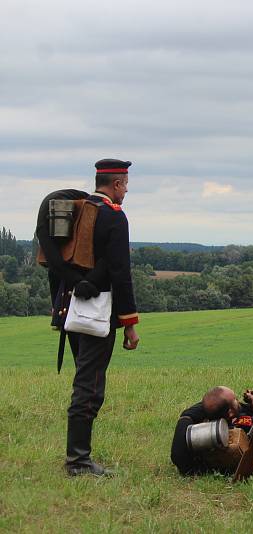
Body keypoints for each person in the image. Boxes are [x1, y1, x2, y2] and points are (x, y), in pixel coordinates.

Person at [36, 159, 140, 476]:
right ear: (118, 183)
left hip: (69, 306)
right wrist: (130, 323)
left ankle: (79, 457)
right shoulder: (114, 217)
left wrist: (76, 280)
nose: (127, 189)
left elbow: (52, 257)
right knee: (89, 385)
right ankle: (78, 461)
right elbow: (120, 273)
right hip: (97, 311)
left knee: (85, 379)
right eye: (126, 183)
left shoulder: (76, 210)